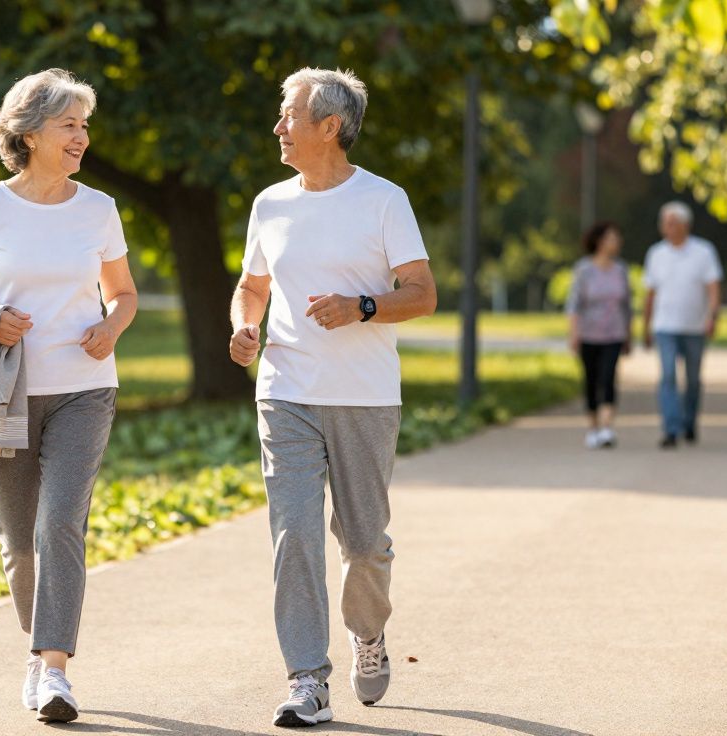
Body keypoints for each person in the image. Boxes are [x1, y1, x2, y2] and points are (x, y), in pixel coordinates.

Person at [229, 67, 437, 728]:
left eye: (288, 116)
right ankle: (307, 680)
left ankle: (368, 632)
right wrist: (244, 324)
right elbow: (252, 286)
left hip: (364, 397)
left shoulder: (383, 200)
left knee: (366, 543)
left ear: (330, 126)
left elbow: (423, 293)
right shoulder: (271, 205)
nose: (277, 127)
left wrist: (364, 306)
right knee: (294, 536)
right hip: (286, 389)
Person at [0, 68, 137, 724]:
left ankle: (55, 672)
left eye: (84, 125)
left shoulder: (98, 209)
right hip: (8, 393)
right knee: (20, 543)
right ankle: (36, 651)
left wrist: (111, 325)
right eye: (69, 125)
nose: (82, 137)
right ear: (30, 132)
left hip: (85, 391)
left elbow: (124, 292)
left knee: (60, 525)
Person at [642, 201, 722, 449]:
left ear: (685, 225)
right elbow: (650, 293)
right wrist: (645, 325)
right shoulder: (656, 254)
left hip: (694, 326)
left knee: (693, 379)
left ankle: (689, 422)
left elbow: (713, 289)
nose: (667, 227)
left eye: (672, 223)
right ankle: (671, 428)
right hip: (664, 325)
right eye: (664, 223)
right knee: (667, 376)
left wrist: (712, 316)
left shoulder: (703, 252)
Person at [567, 222, 632, 449]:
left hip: (614, 333)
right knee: (591, 380)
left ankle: (606, 428)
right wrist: (574, 333)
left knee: (608, 378)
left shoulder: (621, 270)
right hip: (588, 333)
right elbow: (574, 305)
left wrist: (628, 334)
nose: (617, 242)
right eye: (613, 238)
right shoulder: (584, 270)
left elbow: (627, 305)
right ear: (600, 241)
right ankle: (593, 427)